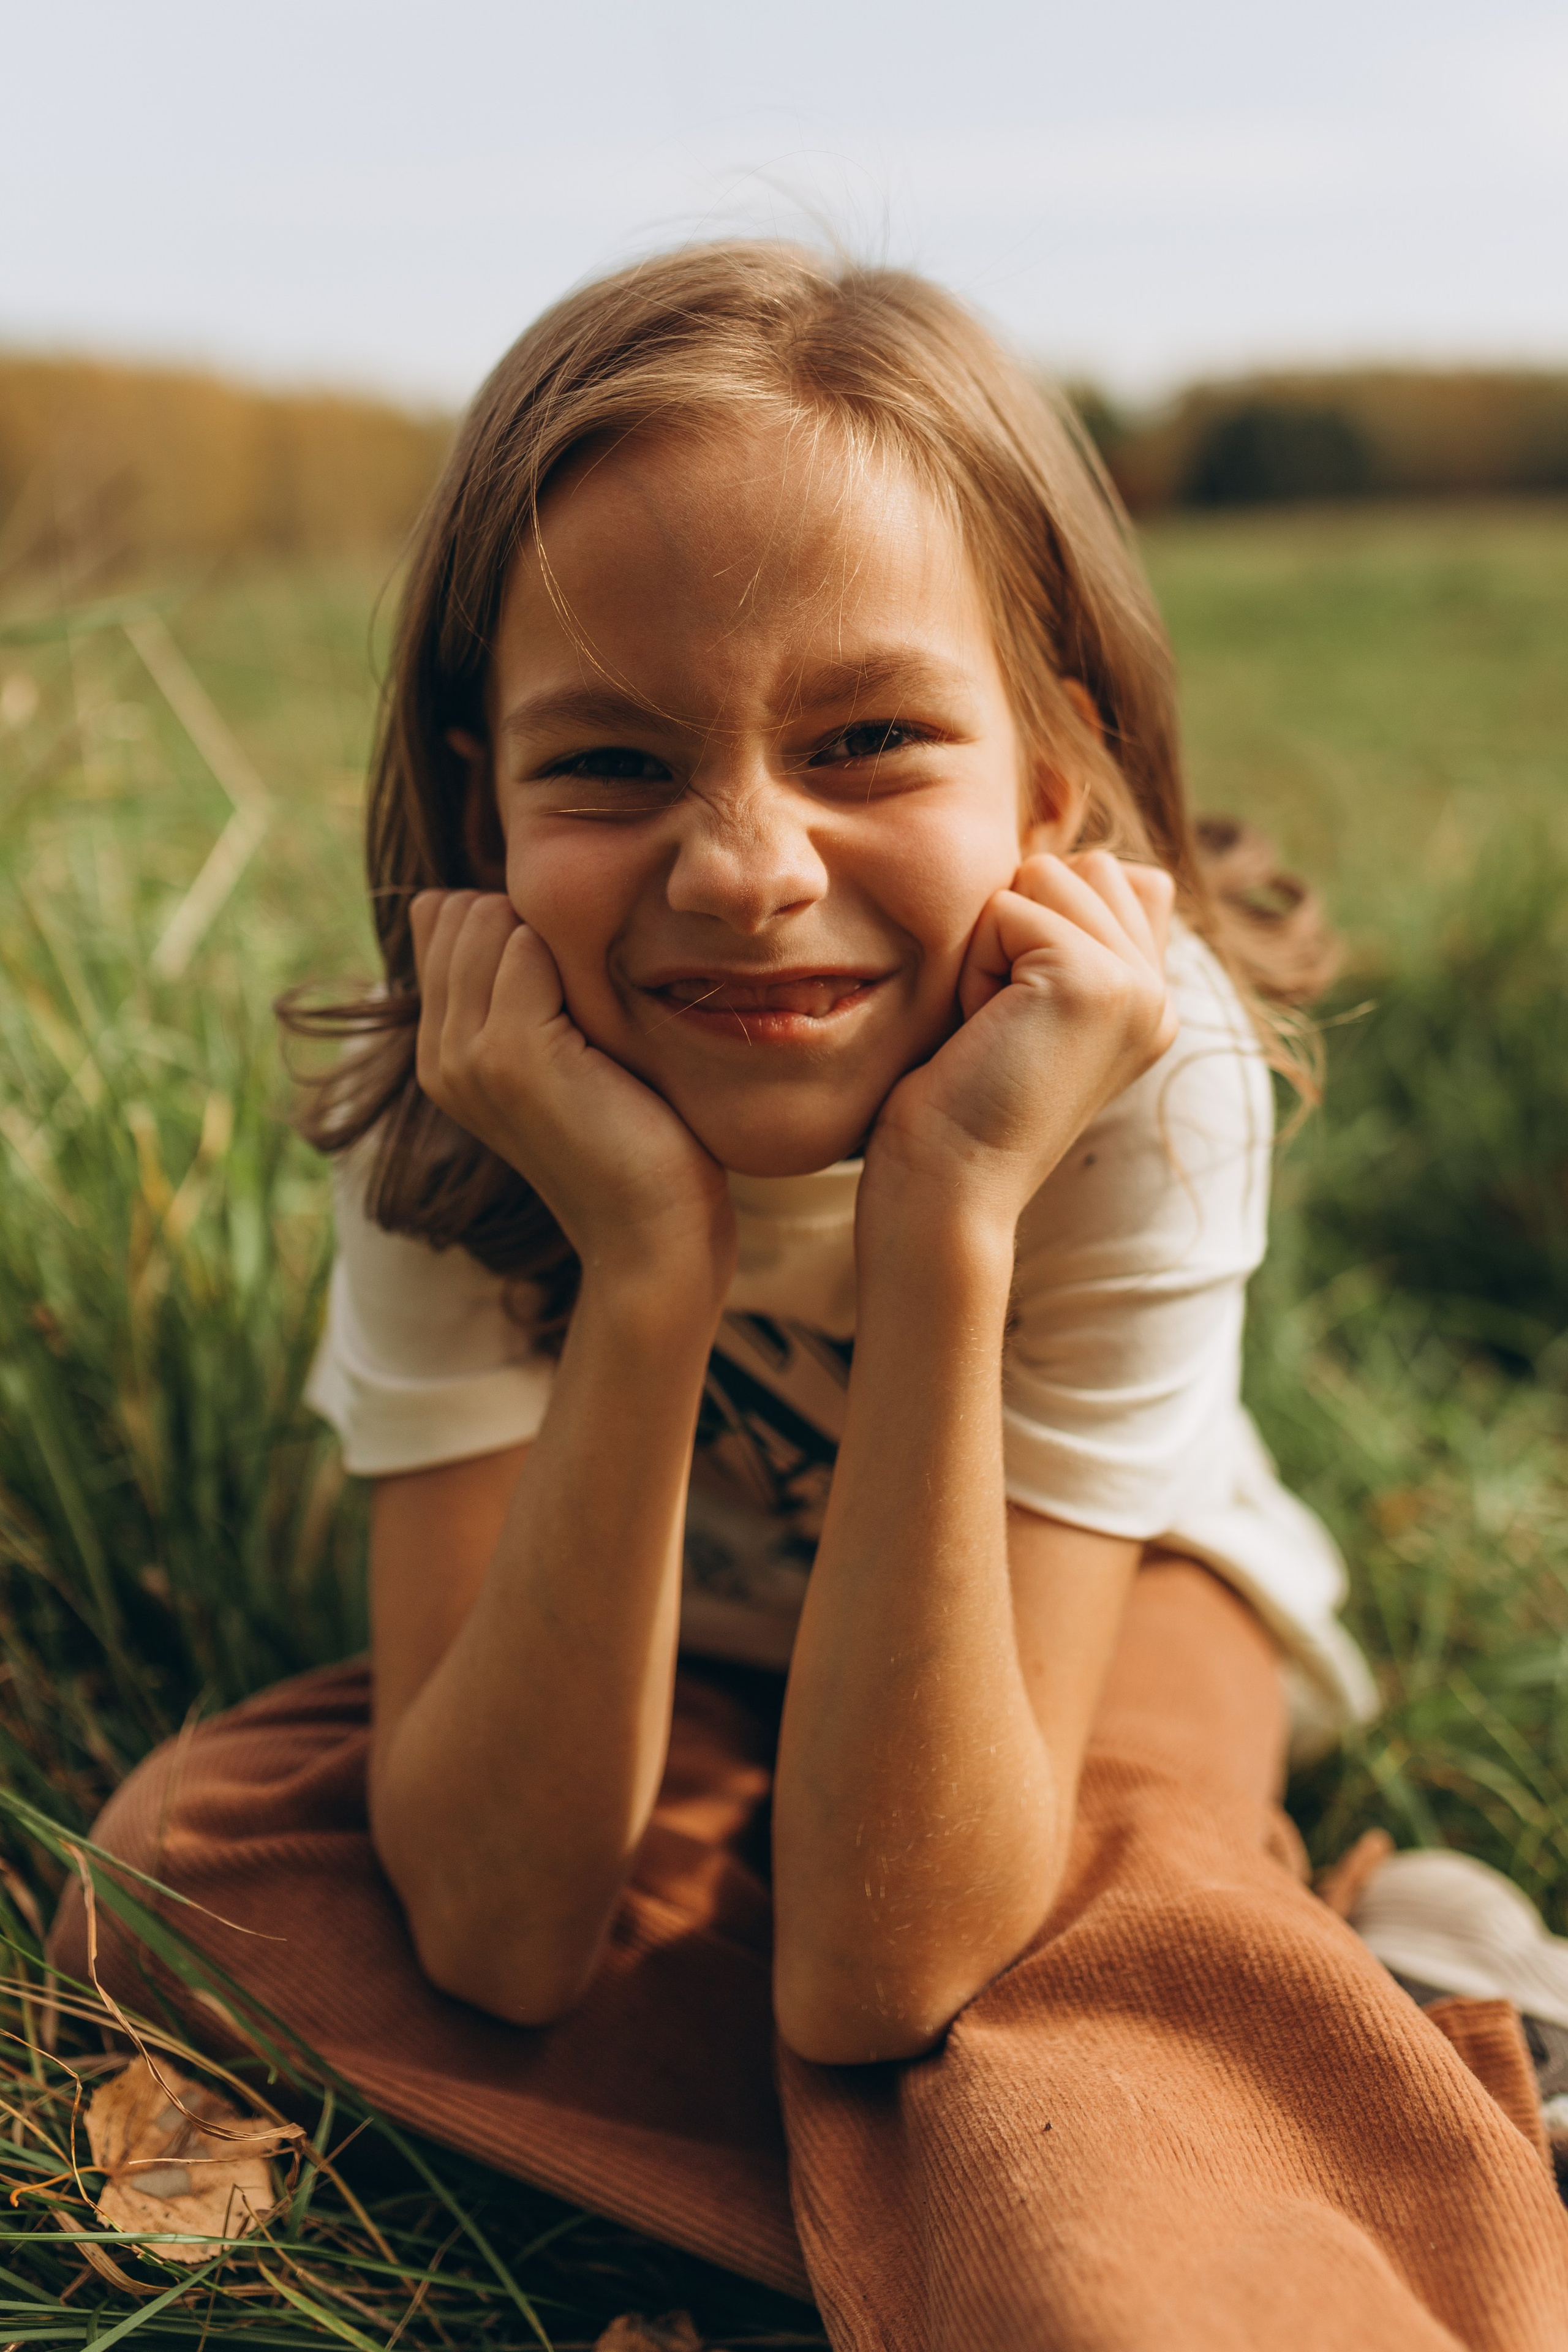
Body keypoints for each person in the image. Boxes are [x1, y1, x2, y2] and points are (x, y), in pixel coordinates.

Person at [54, 244, 1568, 2348]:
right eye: (613, 767)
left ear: (1056, 778)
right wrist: (641, 1262)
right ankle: (1301, 2040)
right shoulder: (471, 1080)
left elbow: (892, 1955)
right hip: (692, 1660)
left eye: (865, 735)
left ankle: (1162, 2120)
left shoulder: (1141, 1069)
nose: (745, 868)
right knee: (185, 1882)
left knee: (1015, 2005)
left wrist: (951, 1210)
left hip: (1102, 1609)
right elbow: (498, 1923)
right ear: (476, 794)